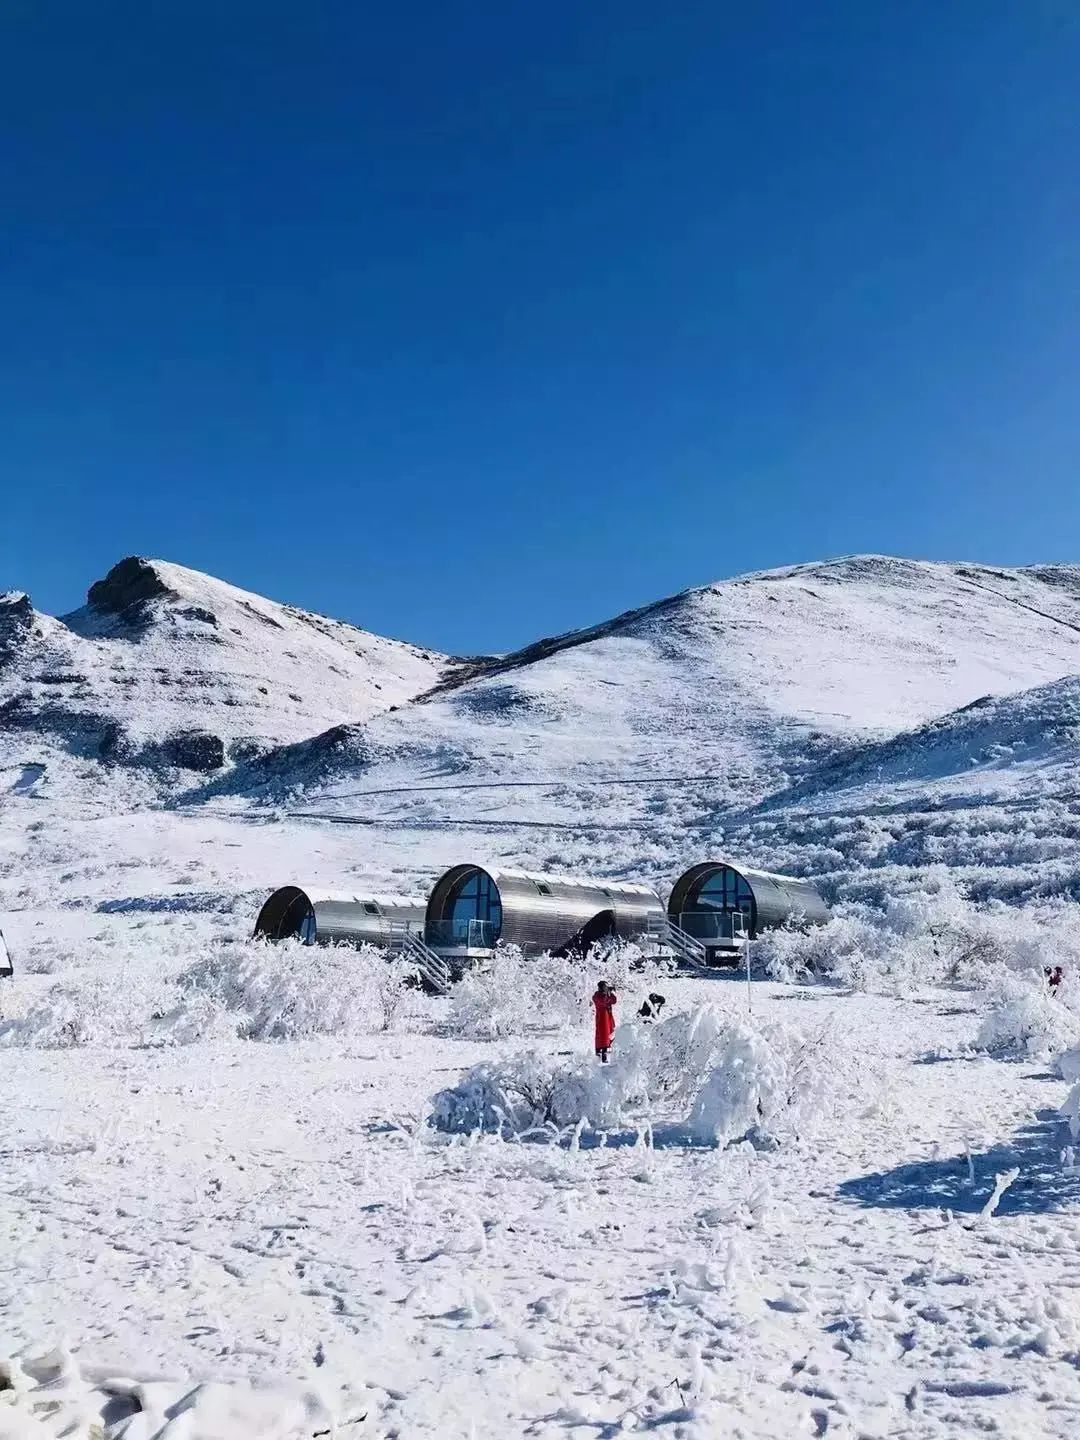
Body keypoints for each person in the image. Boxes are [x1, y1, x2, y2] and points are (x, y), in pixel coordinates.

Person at [592, 980, 617, 1062]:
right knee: (603, 1035)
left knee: (607, 1034)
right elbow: (604, 1000)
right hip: (602, 1018)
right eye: (604, 987)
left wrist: (610, 993)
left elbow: (614, 1001)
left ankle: (602, 1053)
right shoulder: (597, 996)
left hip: (607, 1017)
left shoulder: (603, 995)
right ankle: (602, 1055)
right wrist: (608, 993)